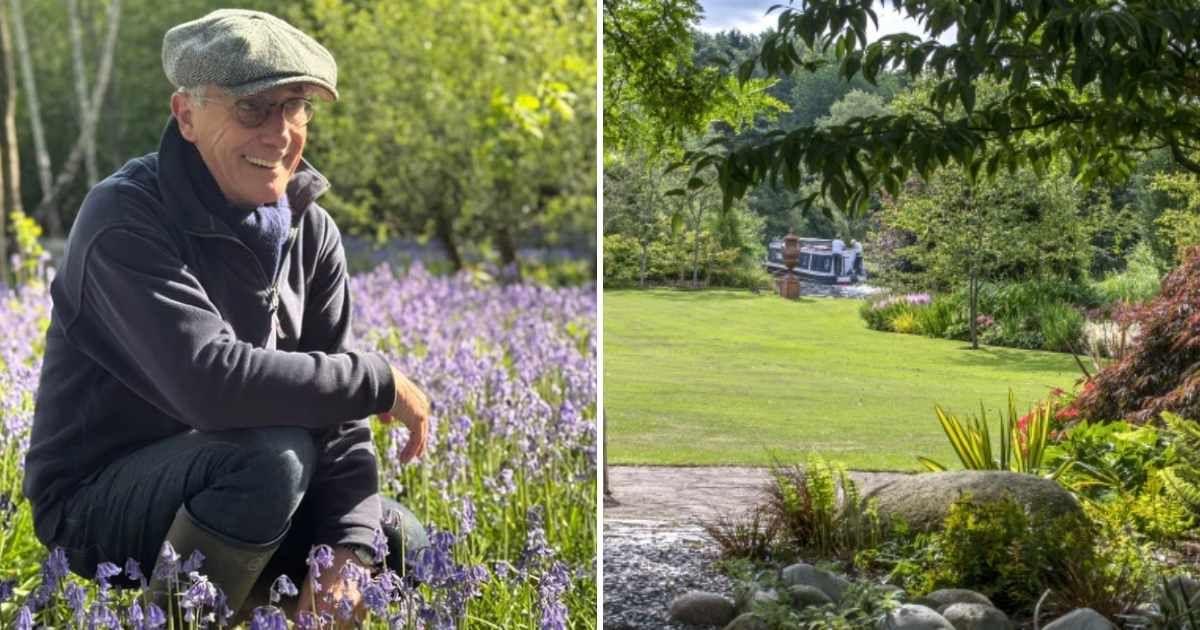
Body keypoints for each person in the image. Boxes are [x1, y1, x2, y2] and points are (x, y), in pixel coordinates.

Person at [22, 8, 430, 621]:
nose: (280, 133)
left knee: (396, 540)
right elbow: (209, 385)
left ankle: (258, 609)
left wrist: (347, 553)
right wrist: (374, 379)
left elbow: (337, 421)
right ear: (186, 115)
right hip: (98, 501)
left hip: (240, 483)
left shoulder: (310, 230)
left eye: (296, 108)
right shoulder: (124, 218)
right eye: (252, 109)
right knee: (271, 457)